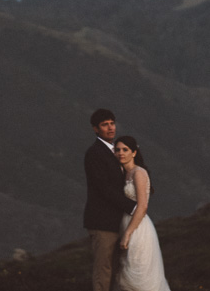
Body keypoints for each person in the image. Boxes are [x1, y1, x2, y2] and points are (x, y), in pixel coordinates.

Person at [84, 108, 138, 291]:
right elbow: (104, 188)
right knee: (104, 268)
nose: (110, 128)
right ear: (95, 129)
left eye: (112, 123)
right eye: (104, 125)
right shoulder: (94, 153)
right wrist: (132, 206)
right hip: (102, 222)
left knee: (119, 269)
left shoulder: (119, 151)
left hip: (119, 221)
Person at [113, 135, 171, 291]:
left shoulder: (139, 173)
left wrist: (128, 233)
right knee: (126, 273)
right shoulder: (123, 173)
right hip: (125, 223)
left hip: (138, 228)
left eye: (125, 150)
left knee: (139, 273)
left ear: (134, 152)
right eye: (117, 150)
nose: (121, 153)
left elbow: (143, 206)